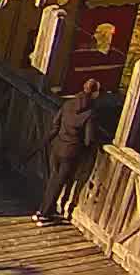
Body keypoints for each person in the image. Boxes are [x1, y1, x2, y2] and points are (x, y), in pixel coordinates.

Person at [37, 76, 105, 224]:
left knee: (52, 180)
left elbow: (56, 123)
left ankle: (43, 209)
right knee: (59, 182)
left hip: (57, 146)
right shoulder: (90, 113)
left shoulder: (68, 104)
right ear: (95, 93)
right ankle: (45, 214)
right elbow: (89, 140)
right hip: (71, 152)